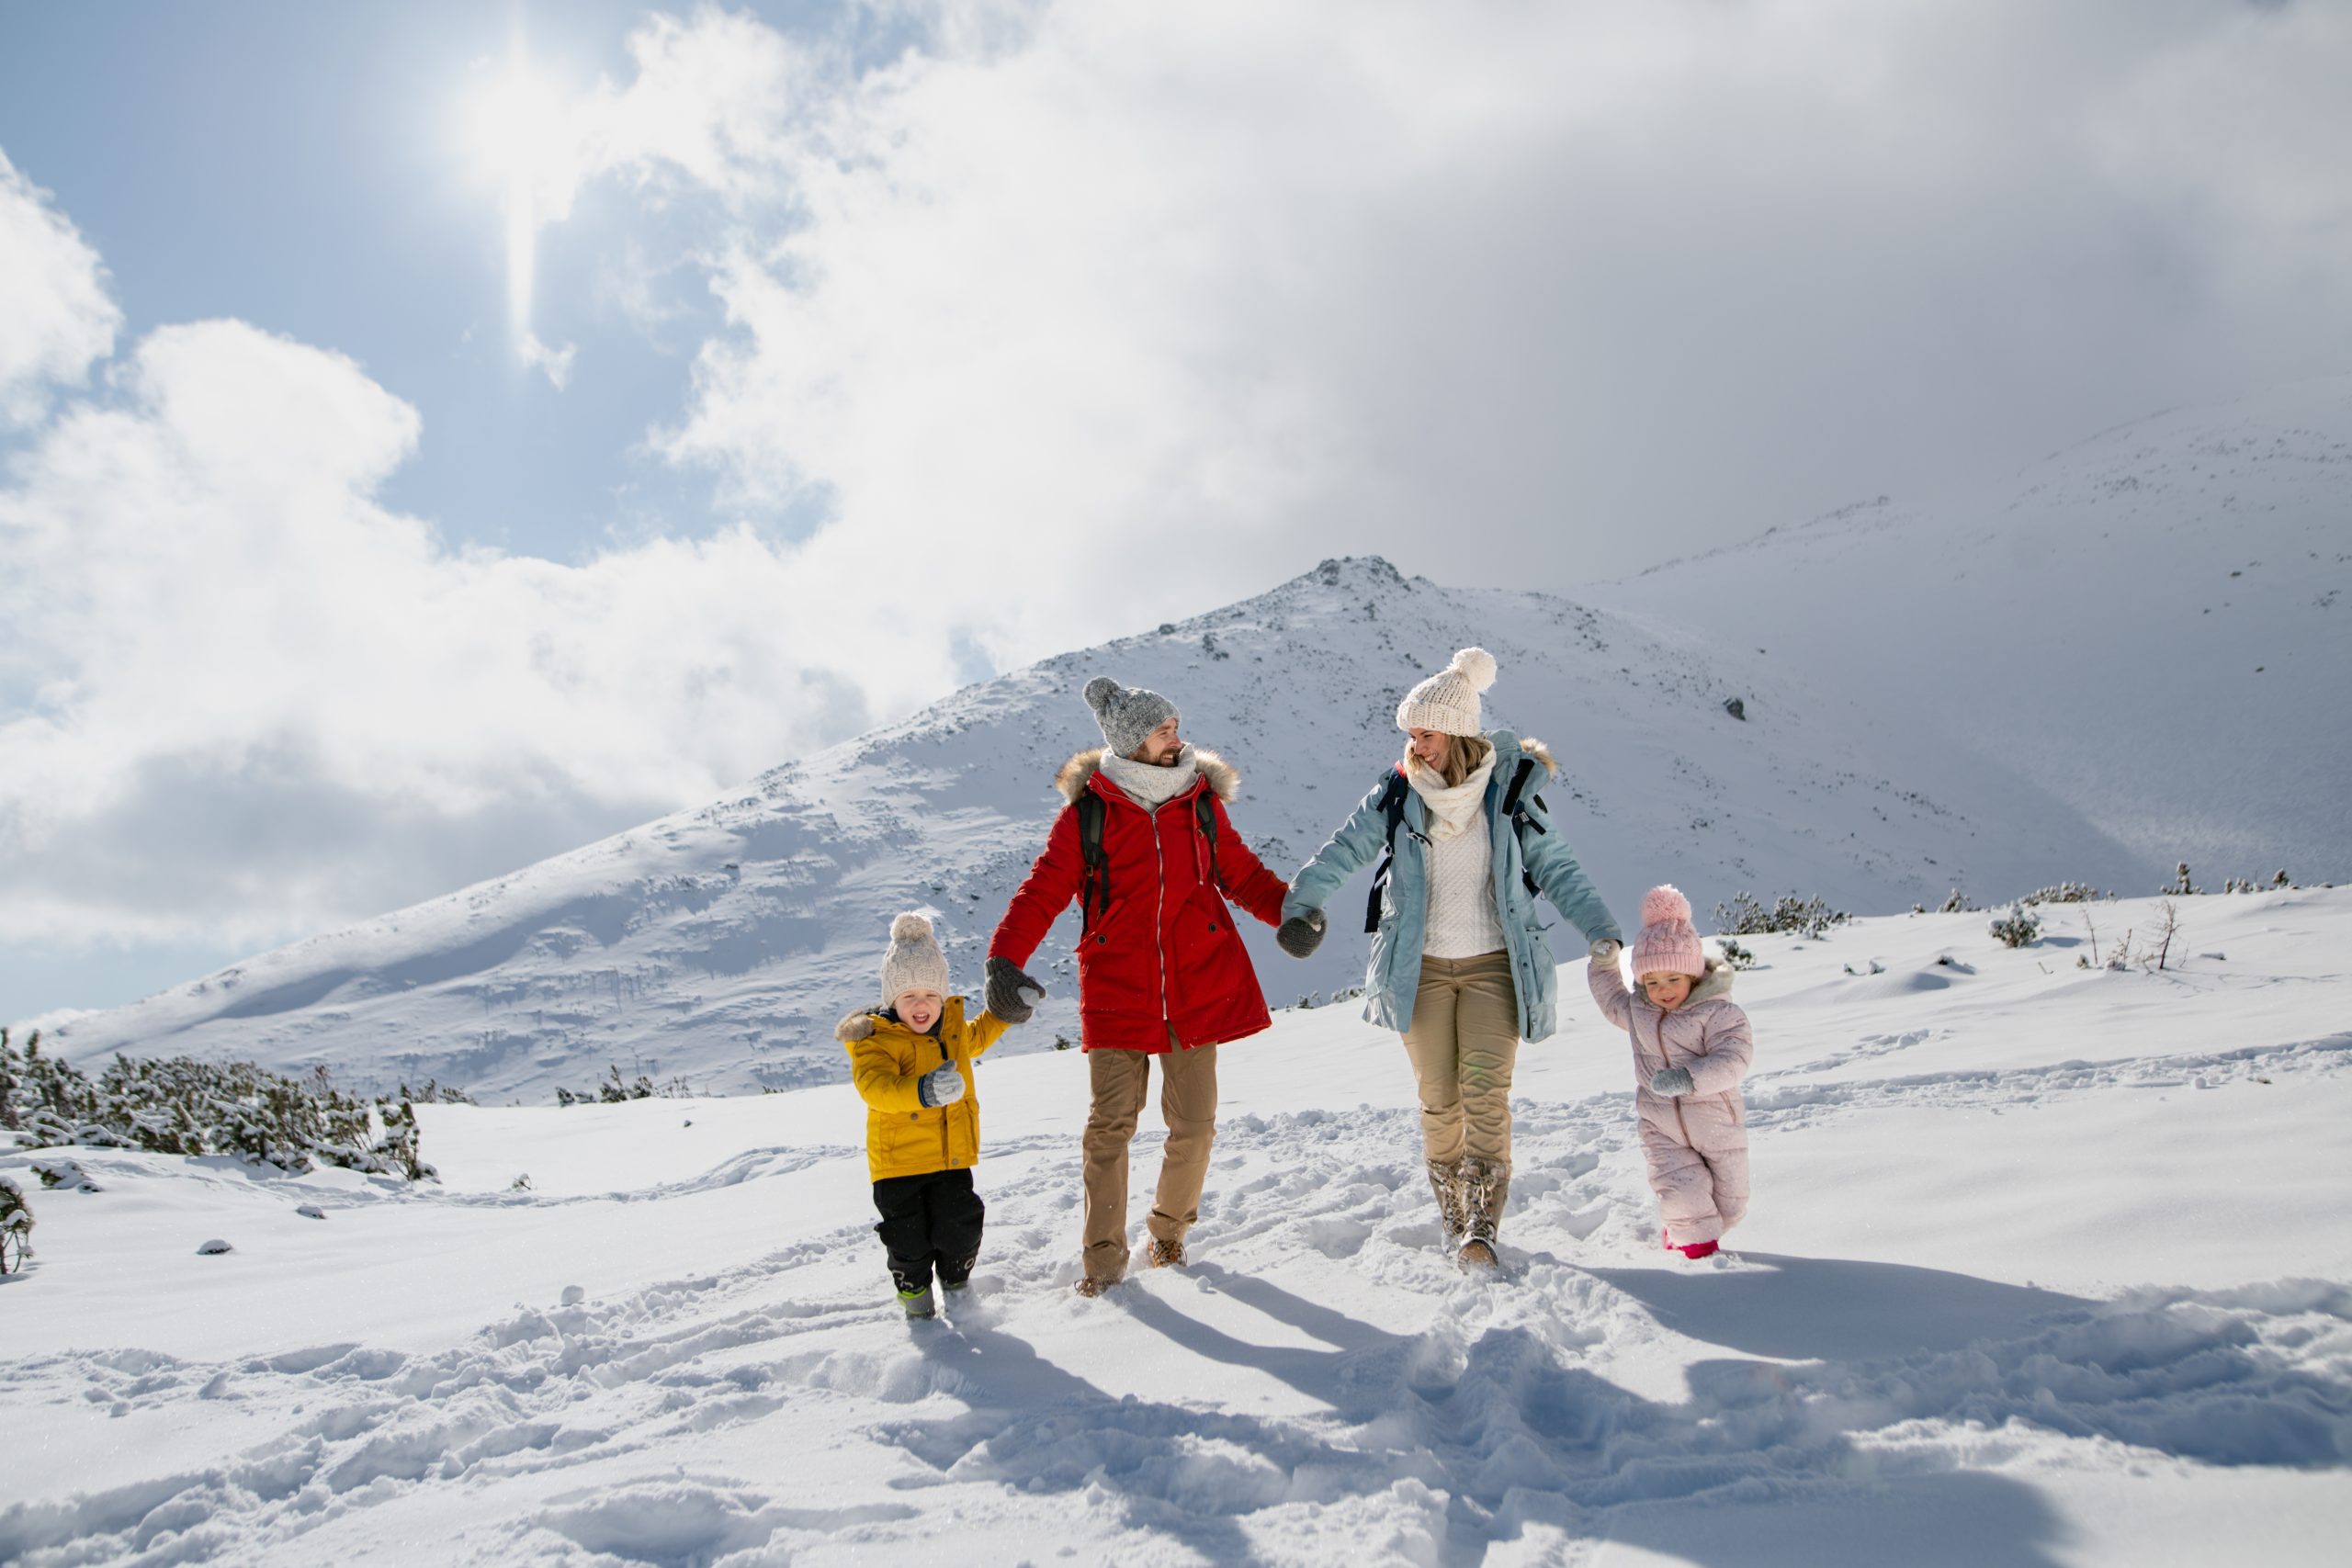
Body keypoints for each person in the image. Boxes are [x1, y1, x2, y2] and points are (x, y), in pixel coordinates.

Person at [1276, 647, 1622, 1270]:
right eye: (1411, 733)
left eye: (1426, 732)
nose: (1417, 744)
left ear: (1458, 731)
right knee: (1440, 1098)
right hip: (1422, 968)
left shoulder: (1511, 792)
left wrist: (1603, 930)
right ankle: (1453, 1214)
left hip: (1494, 964)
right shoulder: (1398, 792)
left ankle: (1482, 1224)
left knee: (1486, 1092)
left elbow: (1559, 867)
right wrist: (1302, 907)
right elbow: (1344, 849)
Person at [986, 677, 1290, 1296]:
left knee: (1196, 1124)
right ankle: (1102, 1262)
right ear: (1132, 744)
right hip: (1118, 987)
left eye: (1175, 726)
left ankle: (1169, 1229)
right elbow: (1043, 889)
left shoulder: (1201, 802)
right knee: (1109, 1128)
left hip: (1195, 983)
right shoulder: (1089, 815)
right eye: (1162, 730)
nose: (1175, 737)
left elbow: (1242, 874)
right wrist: (1004, 959)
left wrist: (1291, 911)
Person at [838, 911, 1012, 1318]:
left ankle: (956, 1286)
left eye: (931, 995)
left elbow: (977, 1037)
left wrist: (1005, 1012)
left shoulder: (950, 1031)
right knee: (908, 1243)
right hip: (898, 1166)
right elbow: (877, 1090)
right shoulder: (874, 1041)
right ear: (892, 1000)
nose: (922, 1005)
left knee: (961, 1226)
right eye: (909, 996)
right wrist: (924, 1091)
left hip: (951, 1155)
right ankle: (916, 1302)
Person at [1587, 886, 1752, 1260]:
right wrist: (1603, 964)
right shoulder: (1639, 1011)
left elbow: (1735, 1056)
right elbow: (1612, 1000)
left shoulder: (1717, 1012)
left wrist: (1689, 1079)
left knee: (1730, 1205)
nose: (1662, 991)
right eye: (1652, 982)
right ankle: (1696, 1258)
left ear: (1693, 976)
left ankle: (1687, 1231)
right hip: (1661, 1126)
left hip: (1716, 1124)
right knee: (1683, 1194)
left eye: (1672, 980)